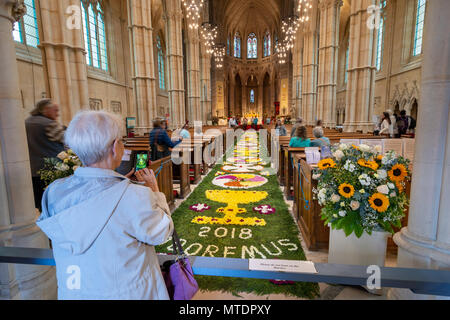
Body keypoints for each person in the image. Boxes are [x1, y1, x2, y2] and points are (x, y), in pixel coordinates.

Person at [36, 111, 174, 300]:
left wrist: (117, 184)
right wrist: (155, 191)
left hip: (77, 292)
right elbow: (162, 232)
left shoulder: (53, 192)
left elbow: (90, 207)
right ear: (115, 147)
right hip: (128, 293)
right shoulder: (135, 197)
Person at [25, 99, 66, 211]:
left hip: (33, 171)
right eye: (55, 110)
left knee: (41, 203)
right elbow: (67, 140)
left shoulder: (26, 122)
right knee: (55, 202)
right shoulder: (49, 124)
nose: (57, 114)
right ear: (46, 110)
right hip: (52, 170)